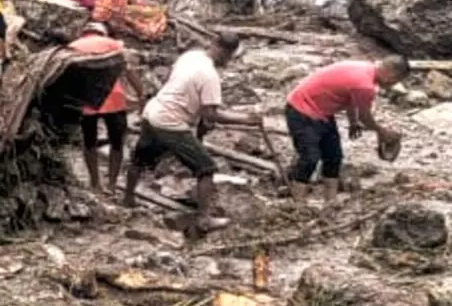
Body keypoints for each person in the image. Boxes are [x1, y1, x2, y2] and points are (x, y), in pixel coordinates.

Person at [123, 33, 257, 234]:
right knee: (206, 169)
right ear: (226, 52)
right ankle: (204, 219)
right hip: (171, 122)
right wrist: (246, 119)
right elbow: (210, 113)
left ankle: (128, 198)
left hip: (153, 111)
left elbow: (176, 84)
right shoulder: (210, 75)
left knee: (140, 160)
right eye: (229, 57)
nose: (228, 61)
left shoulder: (191, 56)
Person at [285, 57, 409, 202]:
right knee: (310, 157)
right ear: (390, 73)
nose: (389, 85)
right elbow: (365, 117)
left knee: (334, 157)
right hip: (301, 109)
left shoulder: (365, 68)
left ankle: (331, 202)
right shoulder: (365, 85)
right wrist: (382, 132)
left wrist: (353, 122)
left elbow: (351, 100)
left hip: (322, 112)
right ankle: (297, 203)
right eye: (393, 81)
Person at [68, 21, 143, 193]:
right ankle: (112, 185)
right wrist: (140, 94)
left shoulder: (72, 46)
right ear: (103, 33)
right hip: (113, 100)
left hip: (86, 102)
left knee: (89, 142)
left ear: (84, 32)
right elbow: (129, 71)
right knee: (117, 142)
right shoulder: (113, 45)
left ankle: (95, 182)